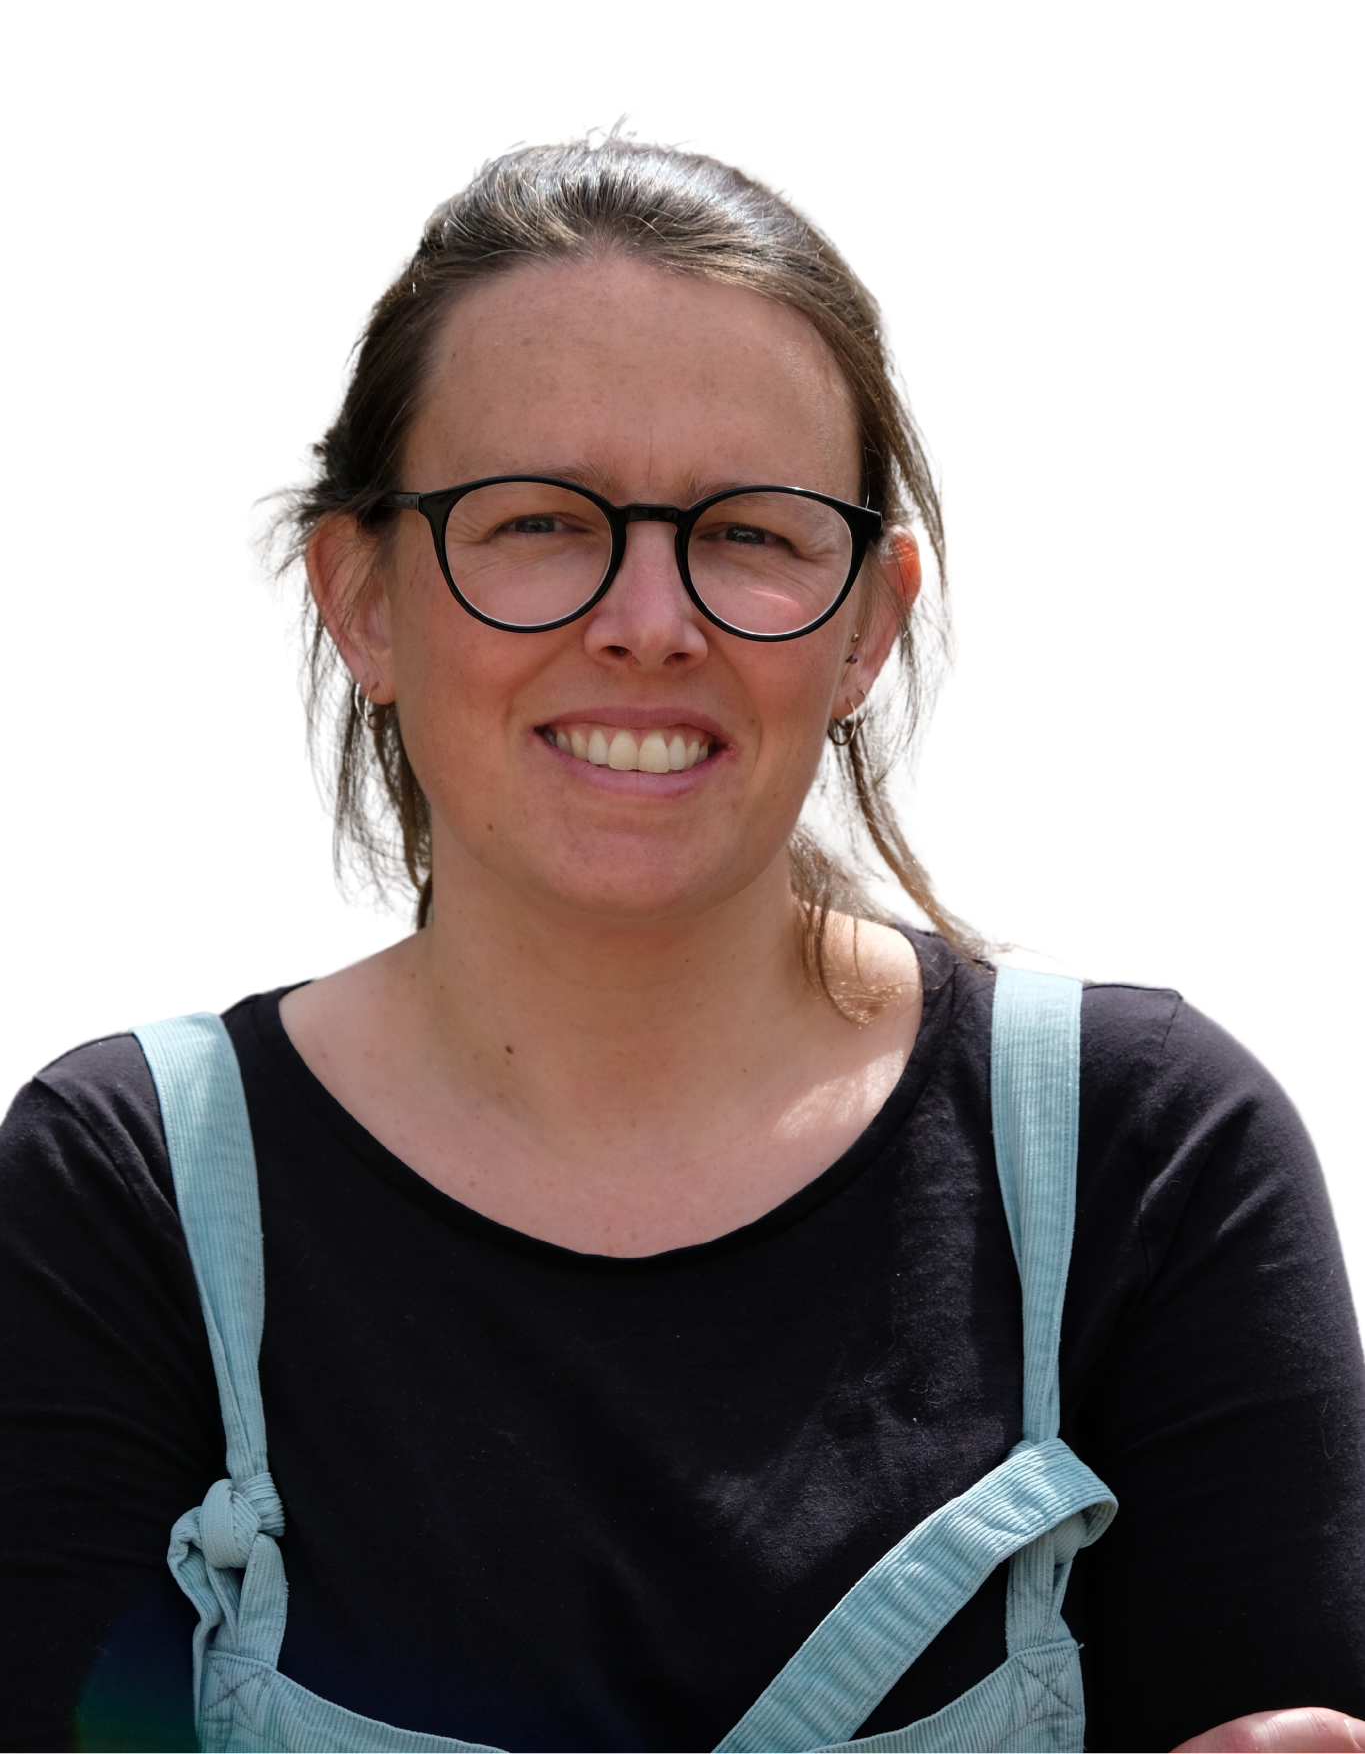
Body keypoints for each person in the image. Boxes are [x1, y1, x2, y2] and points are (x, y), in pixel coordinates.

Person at [2, 139, 1363, 1754]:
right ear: (361, 597)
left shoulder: (1149, 1156)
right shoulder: (127, 1192)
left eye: (751, 535)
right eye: (536, 520)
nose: (650, 621)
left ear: (867, 622)